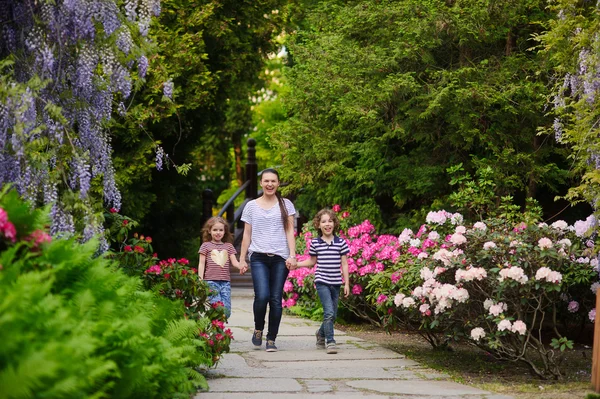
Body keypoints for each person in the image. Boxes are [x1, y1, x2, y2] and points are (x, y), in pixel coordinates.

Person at [239, 168, 297, 352]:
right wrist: (242, 259)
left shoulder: (286, 204)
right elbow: (247, 234)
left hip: (280, 258)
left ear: (278, 183)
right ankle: (258, 328)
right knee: (262, 296)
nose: (270, 184)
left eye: (273, 181)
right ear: (261, 183)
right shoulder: (251, 206)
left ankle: (271, 338)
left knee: (276, 299)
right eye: (266, 181)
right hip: (258, 258)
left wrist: (292, 255)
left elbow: (289, 231)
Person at [294, 208, 349, 354]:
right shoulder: (315, 243)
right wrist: (297, 264)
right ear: (318, 225)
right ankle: (330, 341)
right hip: (322, 281)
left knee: (333, 315)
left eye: (330, 221)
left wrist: (347, 283)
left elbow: (344, 264)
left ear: (334, 223)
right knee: (329, 312)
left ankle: (321, 333)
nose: (327, 224)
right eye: (324, 221)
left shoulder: (340, 243)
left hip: (336, 282)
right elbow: (312, 261)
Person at [198, 216, 247, 319]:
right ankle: (215, 327)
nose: (218, 232)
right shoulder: (205, 246)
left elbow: (235, 263)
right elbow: (201, 264)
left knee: (227, 311)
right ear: (209, 231)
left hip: (225, 283)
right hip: (210, 281)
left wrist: (241, 265)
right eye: (215, 230)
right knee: (217, 307)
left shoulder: (228, 247)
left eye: (221, 230)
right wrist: (200, 279)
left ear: (225, 232)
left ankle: (216, 323)